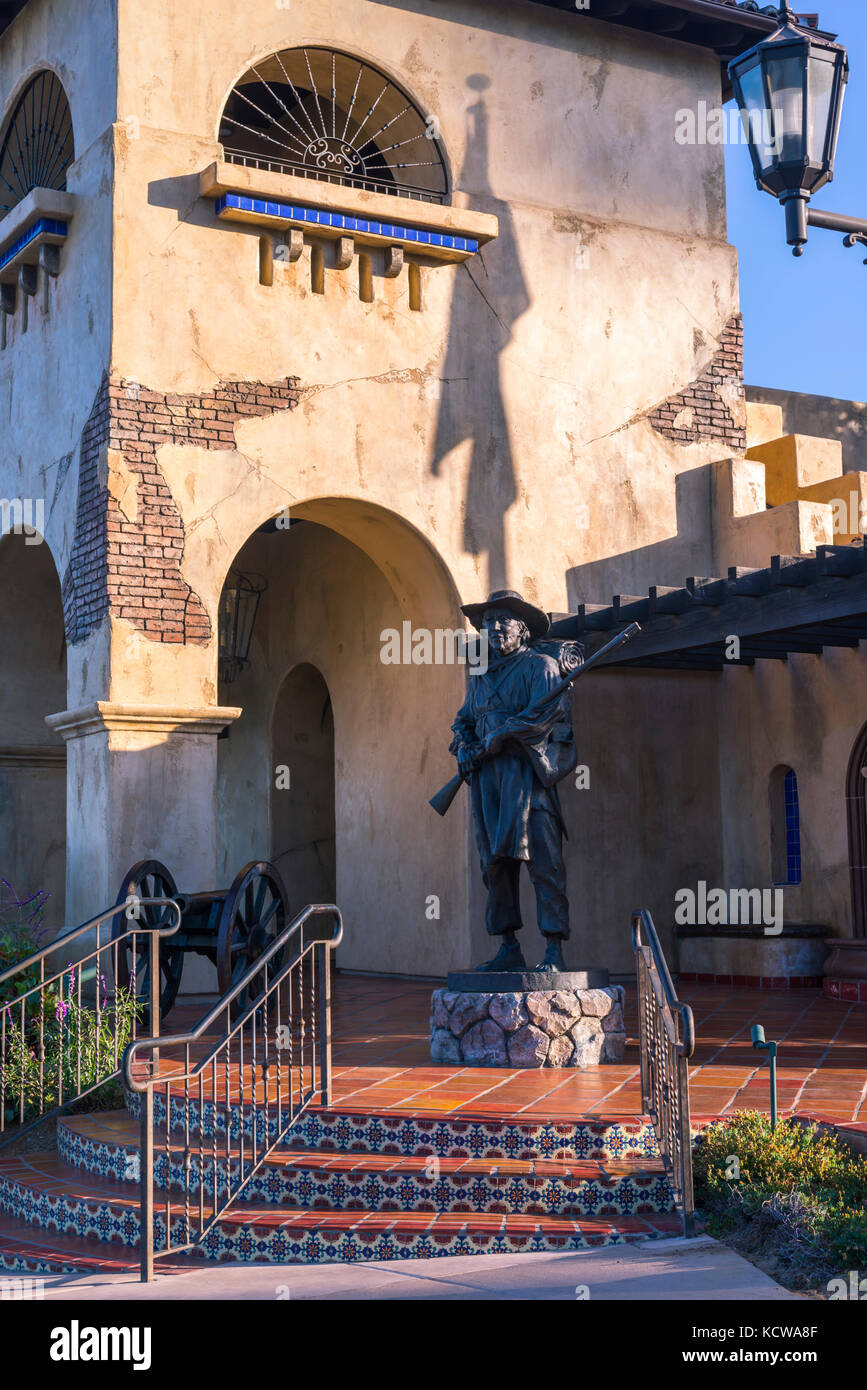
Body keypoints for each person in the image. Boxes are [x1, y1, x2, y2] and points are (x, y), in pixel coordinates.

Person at [449, 589, 579, 972]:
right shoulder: (480, 677)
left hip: (528, 778)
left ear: (522, 629)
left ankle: (554, 949)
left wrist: (503, 735)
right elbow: (463, 721)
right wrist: (466, 745)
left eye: (503, 619)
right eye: (488, 621)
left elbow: (544, 719)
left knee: (545, 863)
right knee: (494, 865)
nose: (494, 627)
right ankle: (508, 947)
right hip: (489, 781)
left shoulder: (541, 668)